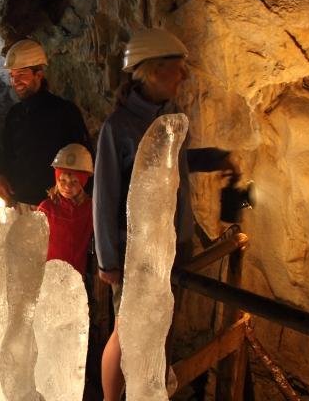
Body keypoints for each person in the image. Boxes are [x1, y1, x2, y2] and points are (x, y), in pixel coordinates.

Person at [93, 28, 233, 400]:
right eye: (177, 68)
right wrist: (108, 258)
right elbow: (104, 195)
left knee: (162, 327)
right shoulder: (117, 128)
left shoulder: (172, 118)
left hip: (175, 245)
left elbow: (177, 166)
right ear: (152, 71)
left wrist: (216, 158)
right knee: (128, 332)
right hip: (135, 253)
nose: (184, 76)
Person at [0, 39, 90, 206]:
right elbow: (7, 154)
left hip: (55, 204)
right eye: (12, 76)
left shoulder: (64, 111)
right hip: (21, 202)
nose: (15, 81)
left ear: (38, 75)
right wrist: (0, 175)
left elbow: (83, 158)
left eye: (22, 75)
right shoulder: (14, 114)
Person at [37, 144, 94, 274]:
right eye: (62, 180)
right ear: (56, 180)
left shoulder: (90, 208)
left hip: (76, 275)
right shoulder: (46, 208)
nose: (67, 186)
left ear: (83, 182)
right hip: (50, 274)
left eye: (74, 182)